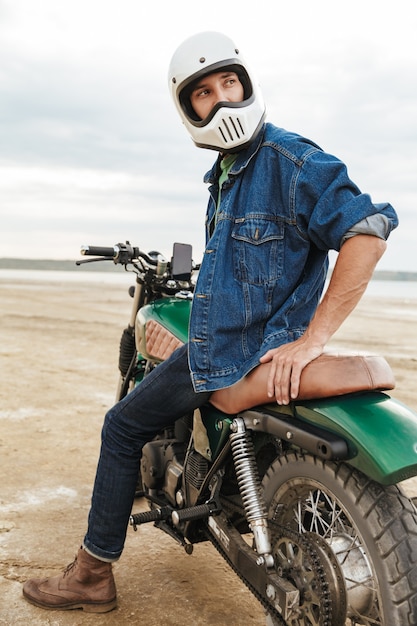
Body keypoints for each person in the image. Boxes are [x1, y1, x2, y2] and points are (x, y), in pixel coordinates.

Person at [22, 31, 398, 613]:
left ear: (247, 84)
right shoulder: (226, 176)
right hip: (228, 343)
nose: (220, 100)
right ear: (188, 108)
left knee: (121, 426)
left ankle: (92, 575)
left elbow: (366, 230)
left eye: (228, 83)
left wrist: (312, 339)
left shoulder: (289, 160)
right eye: (203, 92)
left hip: (230, 355)